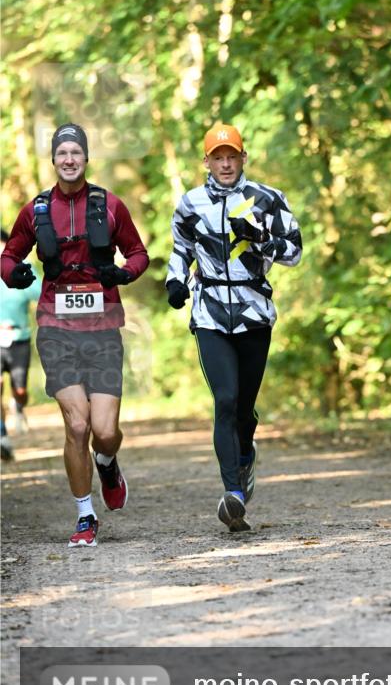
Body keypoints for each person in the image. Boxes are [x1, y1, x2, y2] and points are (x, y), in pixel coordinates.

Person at [0, 123, 149, 547]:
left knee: (104, 431)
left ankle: (107, 462)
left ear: (86, 158)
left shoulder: (109, 204)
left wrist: (123, 272)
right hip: (55, 327)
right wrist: (15, 273)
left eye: (76, 153)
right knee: (77, 424)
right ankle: (85, 516)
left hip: (103, 330)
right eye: (62, 152)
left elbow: (139, 253)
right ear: (53, 159)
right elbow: (8, 257)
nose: (69, 159)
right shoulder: (36, 210)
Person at [166, 122, 302, 532]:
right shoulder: (190, 204)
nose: (225, 164)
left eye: (232, 157)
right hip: (209, 312)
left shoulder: (267, 198)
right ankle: (233, 493)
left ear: (243, 158)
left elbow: (294, 251)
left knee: (243, 408)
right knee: (224, 400)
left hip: (254, 311)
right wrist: (175, 281)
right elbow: (180, 249)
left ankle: (245, 457)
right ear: (206, 161)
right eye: (217, 158)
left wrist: (258, 236)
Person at [0, 228, 42, 459]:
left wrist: (24, 272)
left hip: (19, 340)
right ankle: (2, 434)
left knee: (20, 390)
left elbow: (39, 293)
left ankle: (18, 405)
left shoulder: (20, 266)